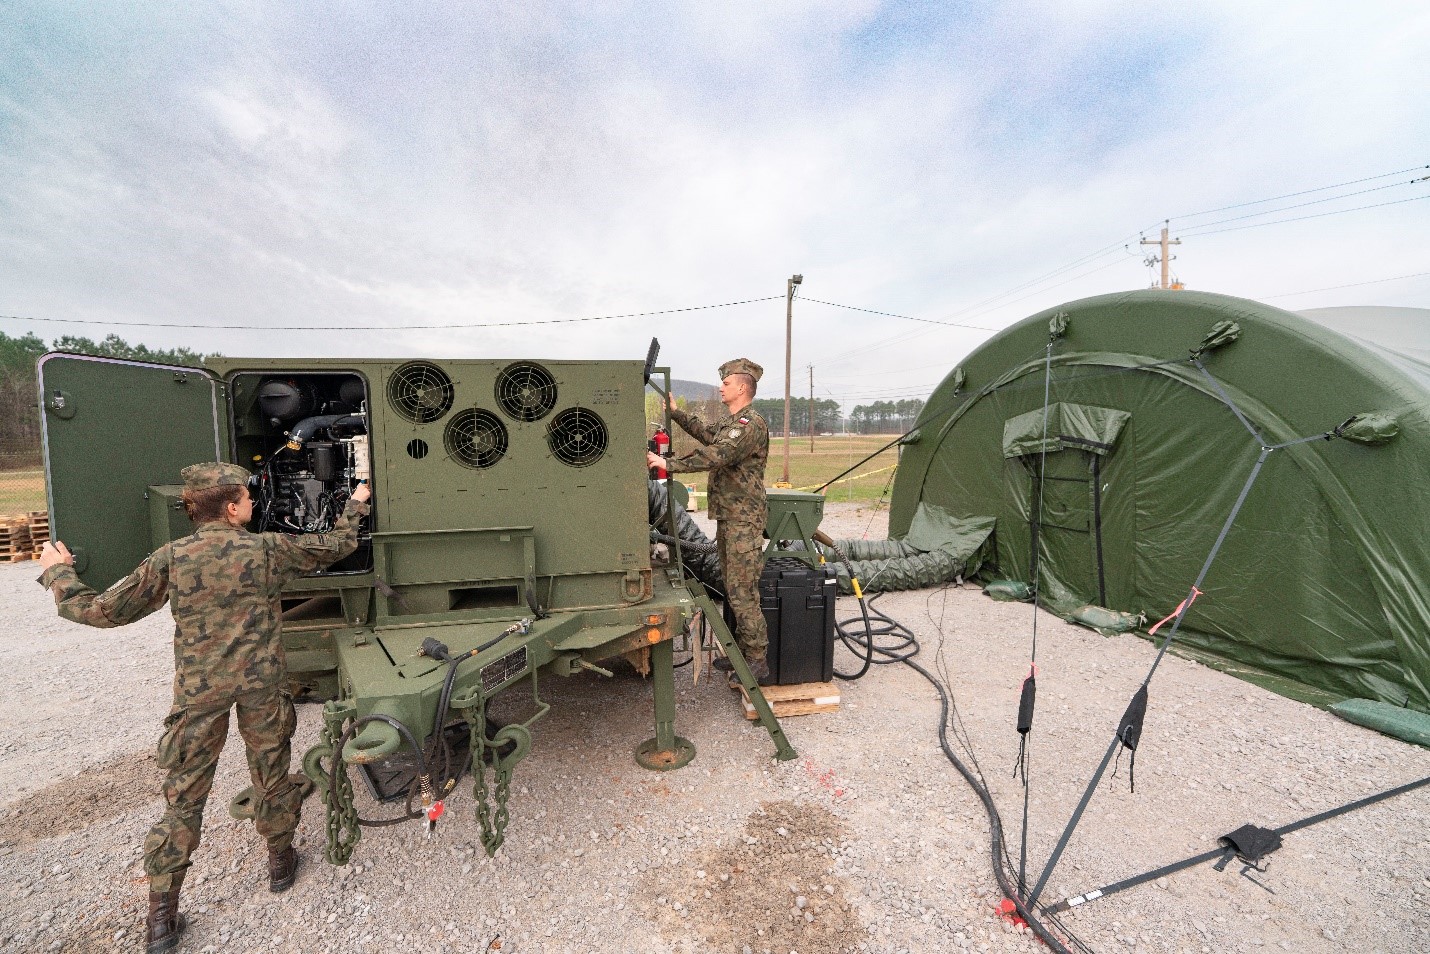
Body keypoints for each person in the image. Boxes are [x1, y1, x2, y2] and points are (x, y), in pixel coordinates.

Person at [36, 462, 371, 953]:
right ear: (233, 508)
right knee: (272, 776)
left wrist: (57, 573)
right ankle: (280, 862)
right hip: (262, 688)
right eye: (248, 500)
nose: (254, 506)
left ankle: (162, 916)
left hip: (200, 695)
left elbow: (101, 611)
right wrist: (357, 501)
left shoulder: (172, 557)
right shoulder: (266, 549)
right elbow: (338, 547)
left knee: (184, 797)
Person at [647, 358, 772, 684]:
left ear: (742, 387)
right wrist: (676, 413)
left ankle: (758, 660)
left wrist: (667, 463)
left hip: (743, 521)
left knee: (744, 594)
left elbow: (718, 454)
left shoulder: (750, 424)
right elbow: (706, 434)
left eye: (726, 383)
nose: (721, 387)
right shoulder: (733, 423)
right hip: (730, 519)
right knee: (732, 591)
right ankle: (743, 655)